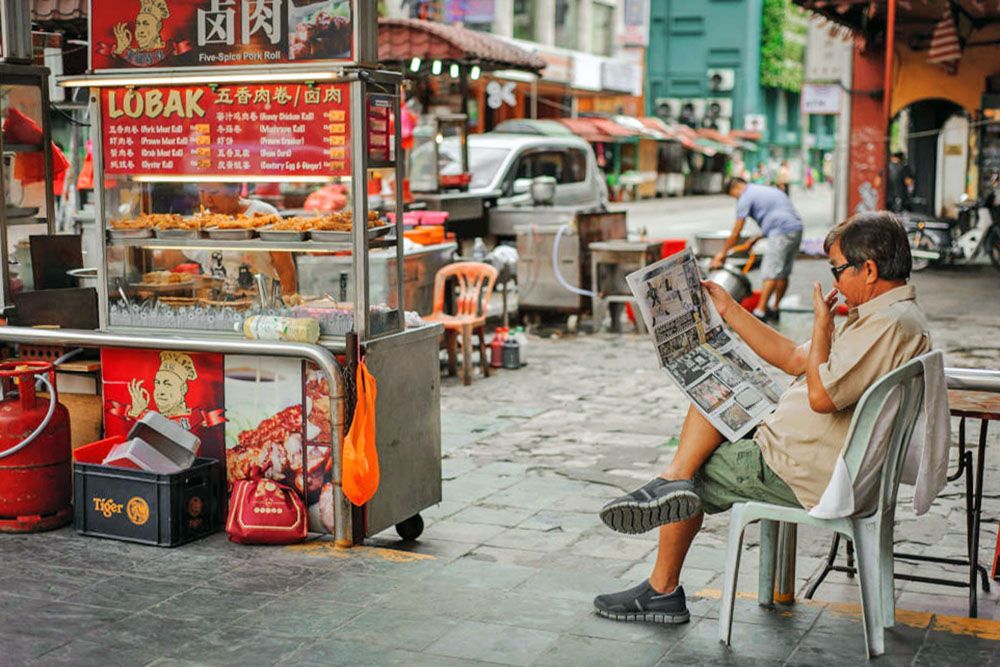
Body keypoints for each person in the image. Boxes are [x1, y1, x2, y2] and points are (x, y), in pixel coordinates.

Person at [593, 212, 930, 624]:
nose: (836, 282)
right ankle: (671, 480)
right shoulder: (888, 318)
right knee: (712, 397)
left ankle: (662, 585)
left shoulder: (888, 328)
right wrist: (729, 310)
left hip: (798, 466)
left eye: (838, 270)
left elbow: (821, 397)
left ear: (870, 270)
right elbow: (793, 359)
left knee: (694, 473)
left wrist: (823, 328)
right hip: (803, 447)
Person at [712, 177, 804, 322]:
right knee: (783, 272)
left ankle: (760, 312)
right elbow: (778, 215)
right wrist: (757, 238)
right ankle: (775, 308)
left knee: (770, 272)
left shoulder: (745, 196)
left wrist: (722, 254)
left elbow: (737, 231)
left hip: (780, 232)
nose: (735, 198)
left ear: (735, 188)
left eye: (733, 196)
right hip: (795, 229)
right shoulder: (765, 190)